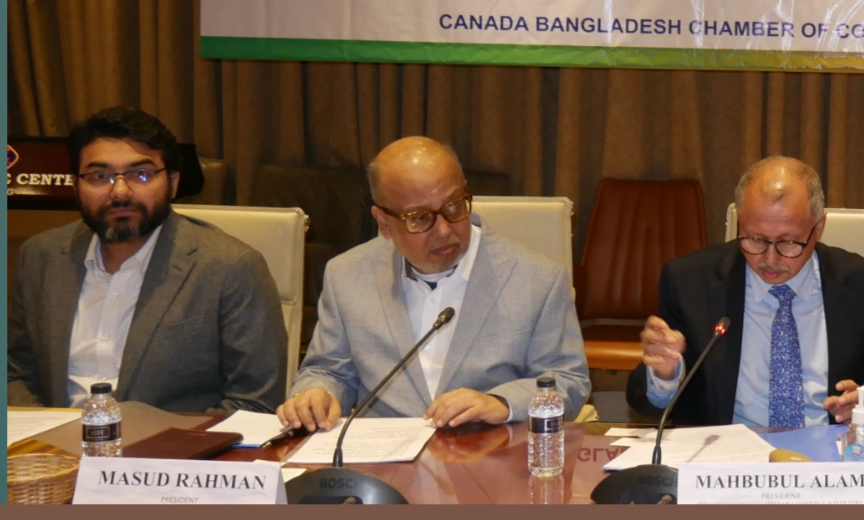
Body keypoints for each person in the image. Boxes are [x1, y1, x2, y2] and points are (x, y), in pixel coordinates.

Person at [278, 137, 589, 430]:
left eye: (454, 207)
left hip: (487, 452)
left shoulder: (537, 278)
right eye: (420, 218)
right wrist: (316, 394)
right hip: (383, 458)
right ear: (384, 222)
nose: (443, 231)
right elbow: (328, 371)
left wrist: (501, 403)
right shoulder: (346, 275)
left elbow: (568, 382)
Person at [8, 107, 286, 413]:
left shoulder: (230, 267)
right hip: (52, 440)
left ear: (173, 183)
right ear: (75, 184)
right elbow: (15, 372)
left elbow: (254, 402)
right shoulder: (41, 257)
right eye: (100, 176)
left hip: (174, 442)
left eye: (141, 174)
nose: (119, 192)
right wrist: (39, 433)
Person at [630, 156, 864, 429]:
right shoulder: (689, 282)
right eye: (755, 239)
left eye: (788, 242)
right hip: (727, 452)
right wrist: (665, 375)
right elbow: (651, 405)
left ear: (818, 227)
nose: (769, 260)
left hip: (832, 451)